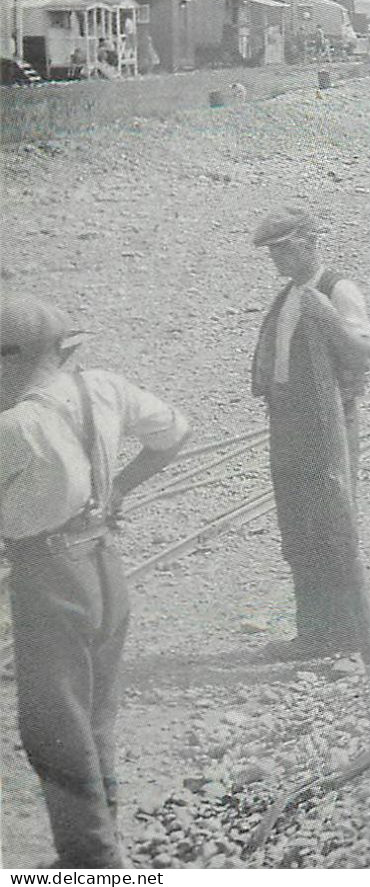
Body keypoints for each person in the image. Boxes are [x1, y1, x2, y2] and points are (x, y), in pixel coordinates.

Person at [1, 294, 191, 867]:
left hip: (49, 576)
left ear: (15, 360)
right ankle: (105, 841)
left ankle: (93, 863)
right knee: (96, 711)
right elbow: (175, 431)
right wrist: (118, 491)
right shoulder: (103, 387)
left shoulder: (16, 425)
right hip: (105, 566)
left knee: (53, 724)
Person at [249, 208, 370, 663]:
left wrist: (327, 319)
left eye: (282, 248)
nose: (276, 259)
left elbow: (363, 354)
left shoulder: (336, 290)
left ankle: (348, 639)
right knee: (298, 529)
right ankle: (314, 635)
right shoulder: (288, 296)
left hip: (326, 426)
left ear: (309, 242)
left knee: (333, 525)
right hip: (287, 424)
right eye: (271, 252)